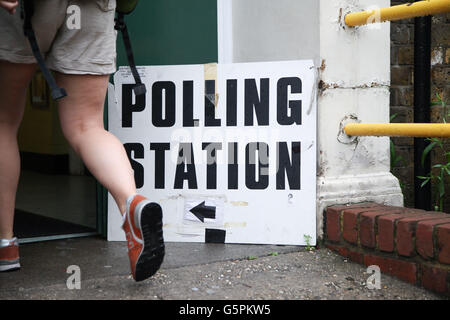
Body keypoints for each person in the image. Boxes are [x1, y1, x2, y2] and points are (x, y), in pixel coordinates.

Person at [0, 0, 164, 282]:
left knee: (3, 123)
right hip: (92, 6)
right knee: (87, 126)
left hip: (28, 7)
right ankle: (131, 202)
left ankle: (6, 246)